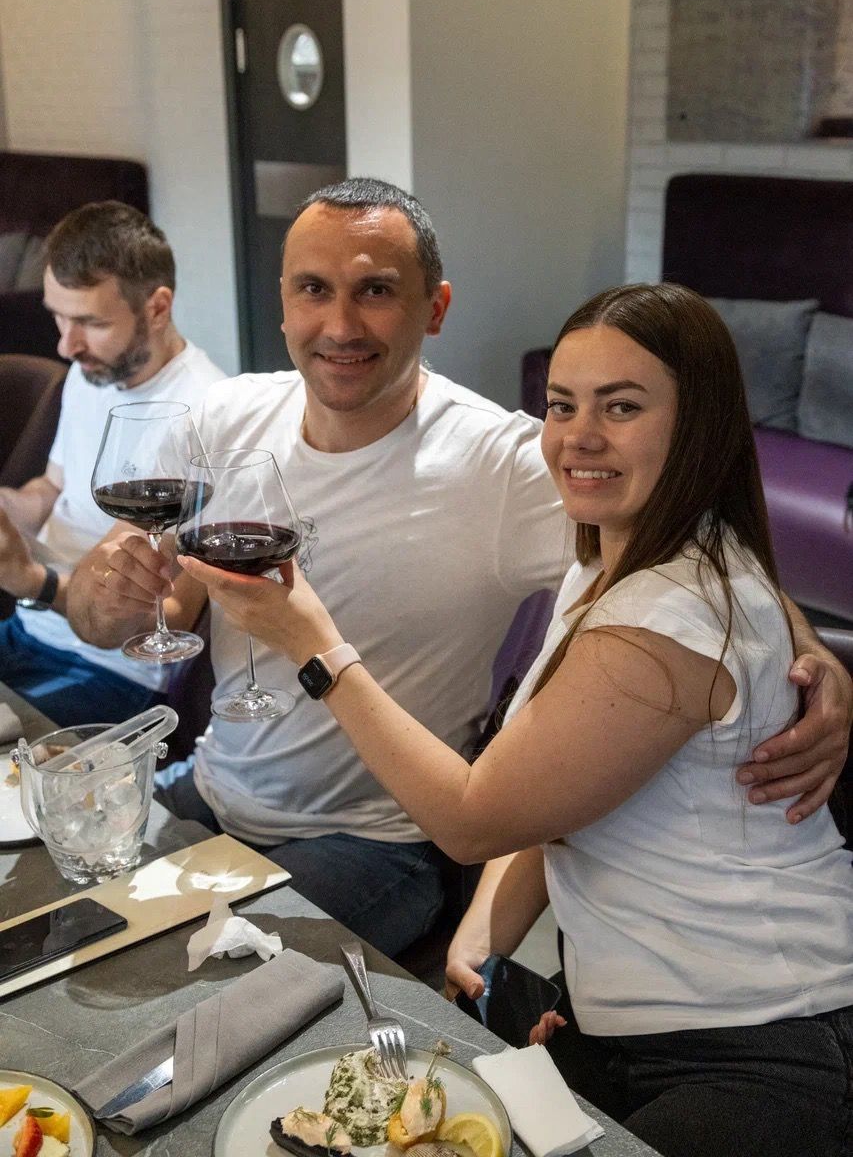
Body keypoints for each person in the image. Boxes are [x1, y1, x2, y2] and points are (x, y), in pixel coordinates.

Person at [67, 182, 850, 958]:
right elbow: (107, 617)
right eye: (314, 290)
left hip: (375, 843)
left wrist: (814, 657)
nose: (339, 325)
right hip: (210, 788)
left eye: (375, 291)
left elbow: (701, 559)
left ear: (434, 308)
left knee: (190, 979)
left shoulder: (508, 465)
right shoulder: (222, 420)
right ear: (283, 302)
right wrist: (103, 594)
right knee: (64, 905)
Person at [176, 281, 853, 1157]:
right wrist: (488, 923)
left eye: (621, 407)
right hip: (633, 1024)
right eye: (562, 405)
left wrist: (316, 646)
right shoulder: (609, 562)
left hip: (766, 1036)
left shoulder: (666, 619)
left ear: (699, 426)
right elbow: (551, 787)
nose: (579, 436)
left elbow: (471, 819)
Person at [0, 201, 224, 725]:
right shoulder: (92, 374)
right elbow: (51, 490)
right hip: (28, 630)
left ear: (157, 308)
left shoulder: (207, 414)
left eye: (90, 322)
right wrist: (8, 508)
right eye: (58, 315)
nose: (65, 344)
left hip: (114, 670)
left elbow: (174, 614)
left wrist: (33, 581)